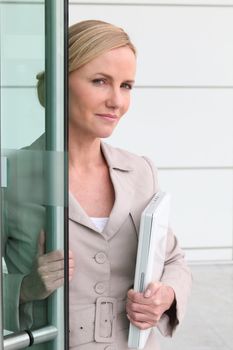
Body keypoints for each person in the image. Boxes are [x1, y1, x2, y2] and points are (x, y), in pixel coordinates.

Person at [3, 20, 192, 350]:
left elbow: (173, 259)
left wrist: (166, 295)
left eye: (127, 85)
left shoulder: (140, 170)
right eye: (100, 81)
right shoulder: (10, 176)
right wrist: (27, 287)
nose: (117, 101)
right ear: (61, 83)